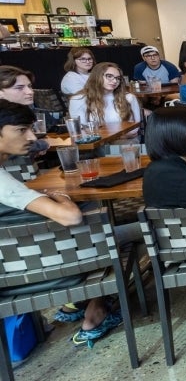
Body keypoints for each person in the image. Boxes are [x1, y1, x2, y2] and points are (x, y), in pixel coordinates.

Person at [0, 102, 122, 346]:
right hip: (48, 270)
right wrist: (62, 198)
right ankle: (95, 309)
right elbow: (70, 218)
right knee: (132, 234)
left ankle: (84, 305)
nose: (31, 136)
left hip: (17, 266)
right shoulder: (4, 184)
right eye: (22, 130)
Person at [67, 62, 142, 137]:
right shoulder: (78, 99)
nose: (115, 81)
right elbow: (80, 131)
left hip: (125, 142)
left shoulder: (129, 97)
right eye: (109, 76)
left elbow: (135, 129)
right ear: (97, 76)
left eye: (118, 78)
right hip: (96, 144)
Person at [0, 66, 48, 158]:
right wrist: (41, 144)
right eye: (19, 88)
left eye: (29, 86)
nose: (30, 92)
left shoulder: (23, 111)